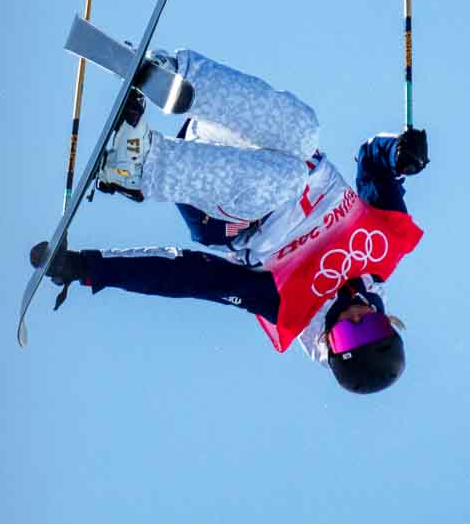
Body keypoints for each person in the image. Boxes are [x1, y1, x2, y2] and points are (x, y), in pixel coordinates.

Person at [32, 49, 430, 394]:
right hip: (231, 140)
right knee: (305, 131)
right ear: (388, 322)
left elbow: (192, 278)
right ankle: (170, 73)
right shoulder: (386, 245)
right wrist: (399, 154)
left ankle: (137, 168)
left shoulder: (289, 306)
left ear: (330, 341)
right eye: (373, 328)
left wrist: (89, 268)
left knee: (285, 179)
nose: (358, 318)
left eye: (350, 334)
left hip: (227, 207)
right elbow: (372, 161)